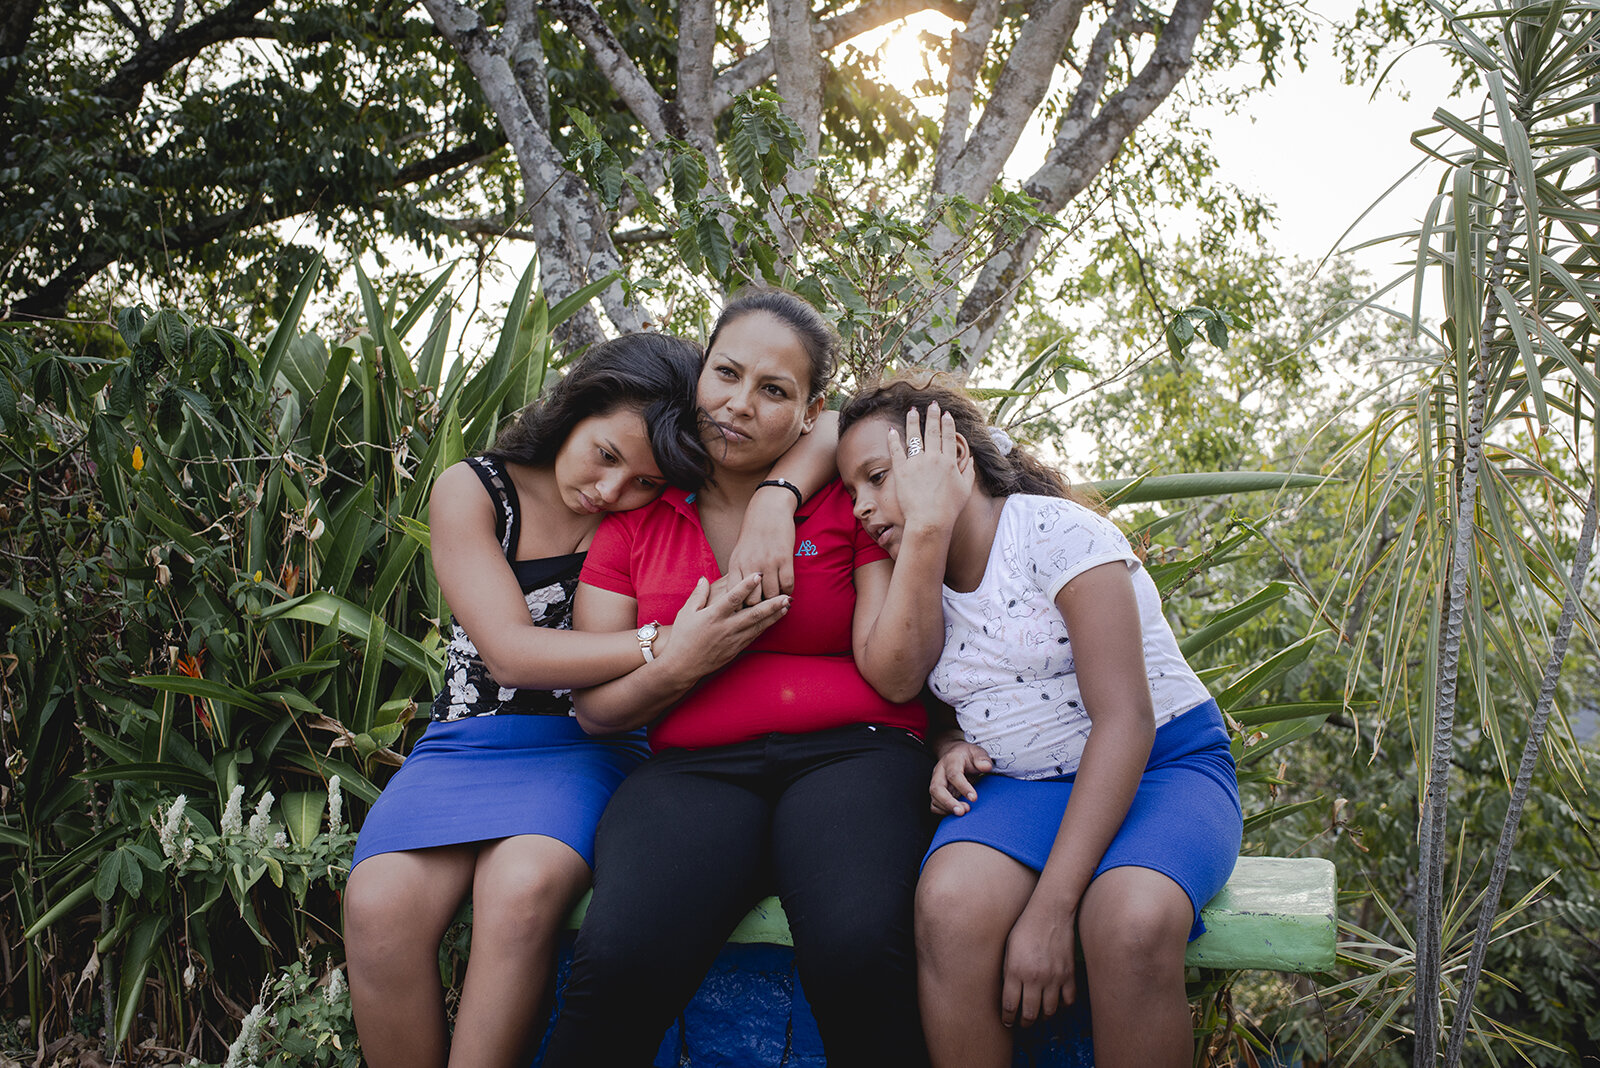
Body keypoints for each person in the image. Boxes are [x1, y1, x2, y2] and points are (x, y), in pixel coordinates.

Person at [343, 332, 800, 1068]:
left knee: (521, 890)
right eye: (606, 455)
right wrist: (666, 645)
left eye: (645, 481)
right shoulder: (477, 489)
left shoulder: (672, 505)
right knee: (378, 905)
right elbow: (512, 653)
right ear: (574, 408)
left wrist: (778, 498)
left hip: (592, 745)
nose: (613, 492)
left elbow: (832, 426)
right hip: (466, 742)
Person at [539, 290, 935, 1068]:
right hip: (695, 768)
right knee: (616, 958)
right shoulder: (638, 515)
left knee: (858, 950)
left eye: (774, 391)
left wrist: (776, 501)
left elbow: (896, 675)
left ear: (807, 409)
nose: (739, 405)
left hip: (855, 754)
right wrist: (685, 659)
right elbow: (598, 713)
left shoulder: (845, 500)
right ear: (699, 372)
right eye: (725, 374)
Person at [836, 377, 1243, 1068]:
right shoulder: (912, 569)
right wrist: (949, 743)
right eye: (851, 492)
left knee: (1130, 924)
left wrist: (1050, 915)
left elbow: (1127, 721)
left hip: (1158, 769)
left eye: (877, 478)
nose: (862, 508)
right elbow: (929, 692)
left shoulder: (1058, 534)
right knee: (951, 909)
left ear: (952, 456)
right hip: (1025, 784)